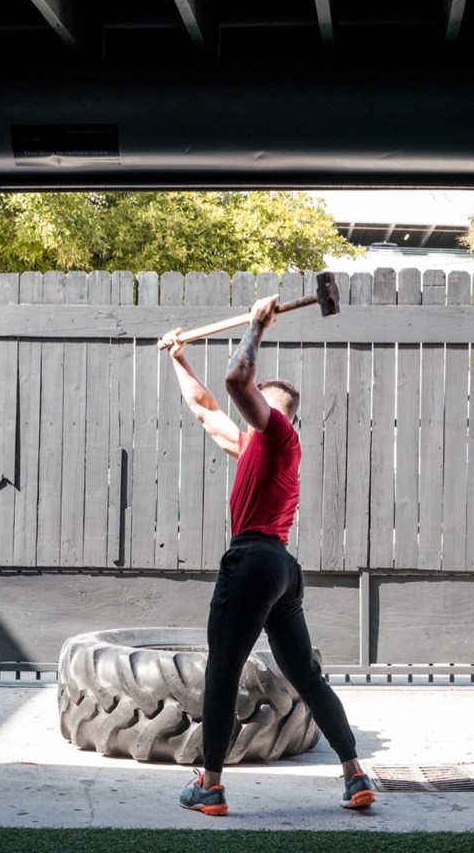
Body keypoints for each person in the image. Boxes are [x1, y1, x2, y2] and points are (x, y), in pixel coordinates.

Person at [160, 293, 376, 817]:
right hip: (282, 570)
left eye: (258, 399)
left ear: (274, 411)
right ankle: (355, 775)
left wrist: (257, 326)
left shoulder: (278, 435)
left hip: (255, 560)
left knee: (222, 670)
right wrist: (179, 359)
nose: (248, 401)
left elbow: (236, 383)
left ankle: (209, 785)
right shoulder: (253, 444)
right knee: (305, 675)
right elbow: (206, 409)